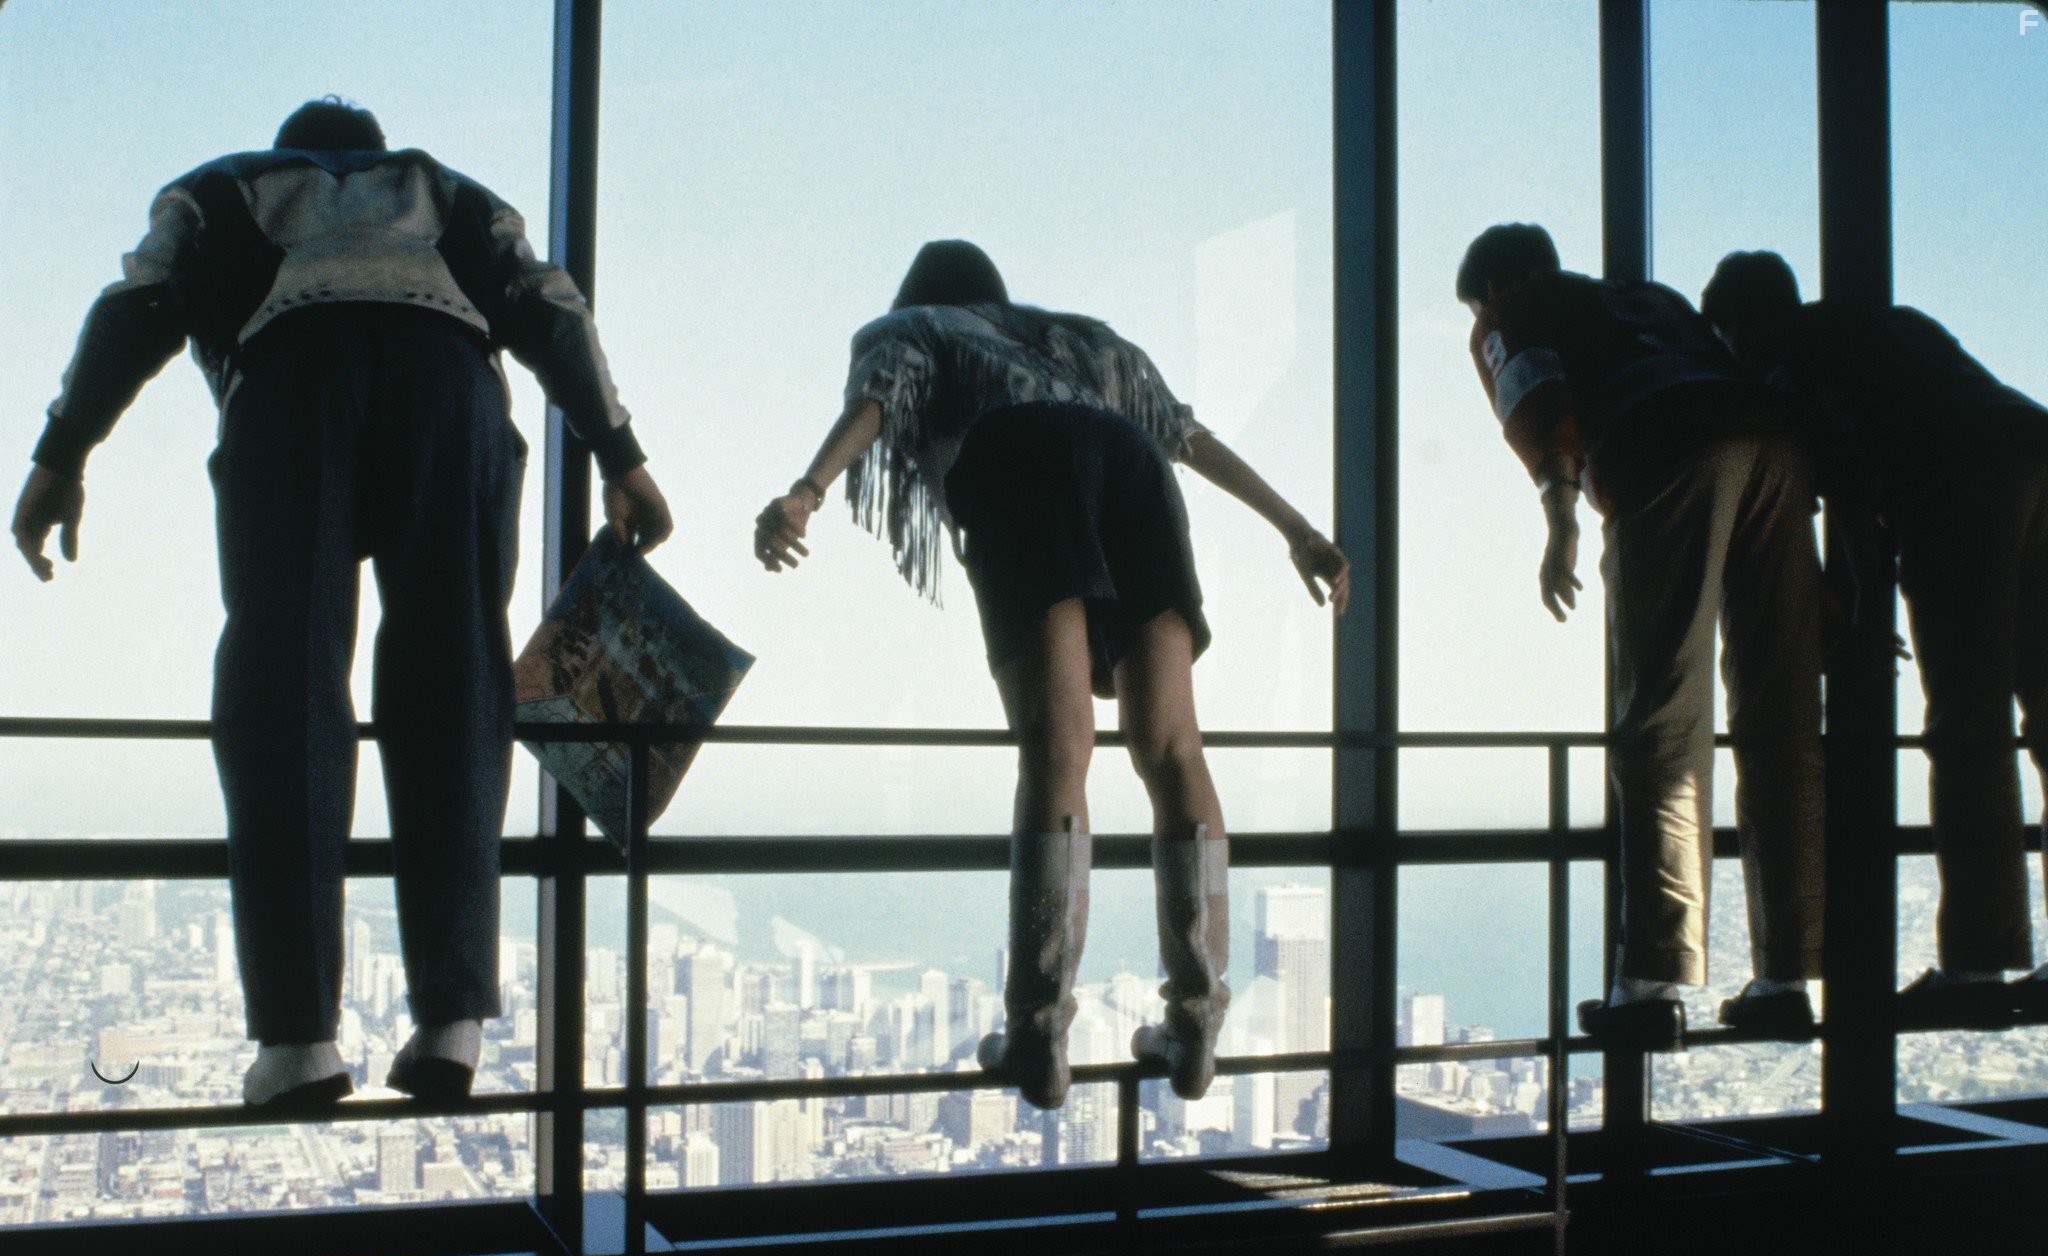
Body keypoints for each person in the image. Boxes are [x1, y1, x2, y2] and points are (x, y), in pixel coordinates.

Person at [10, 98, 672, 1109]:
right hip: (450, 387)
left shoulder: (225, 184)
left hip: (291, 381)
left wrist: (61, 457)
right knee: (455, 678)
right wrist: (621, 460)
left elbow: (133, 308)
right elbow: (551, 309)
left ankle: (298, 1041)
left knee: (286, 680)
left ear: (295, 147)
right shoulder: (453, 192)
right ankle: (449, 1024)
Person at [753, 239, 1347, 1108]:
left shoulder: (916, 323)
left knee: (1059, 744)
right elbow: (1187, 437)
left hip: (1020, 458)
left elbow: (881, 400)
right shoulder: (1087, 340)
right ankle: (1195, 1029)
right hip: (1135, 471)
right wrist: (1297, 527)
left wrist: (805, 489)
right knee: (1176, 747)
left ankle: (1038, 1037)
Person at [1457, 223, 1826, 1050]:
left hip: (1666, 447)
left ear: (1491, 288)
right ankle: (1787, 976)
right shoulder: (1650, 299)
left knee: (1662, 718)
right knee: (1784, 720)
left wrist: (1559, 518)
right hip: (1777, 448)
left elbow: (1534, 397)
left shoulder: (1514, 308)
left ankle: (1653, 982)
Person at [1703, 251, 2048, 1032]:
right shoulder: (1892, 326)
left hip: (1960, 488)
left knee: (1968, 723)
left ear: (1737, 329)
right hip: (2036, 446)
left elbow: (1856, 480)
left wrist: (1865, 611)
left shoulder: (1787, 371)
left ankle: (1977, 964)